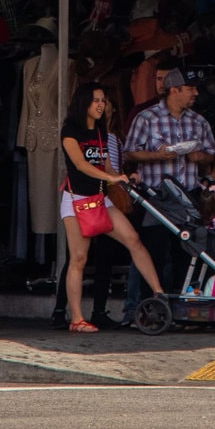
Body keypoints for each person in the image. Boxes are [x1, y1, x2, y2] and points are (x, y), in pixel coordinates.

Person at [58, 83, 166, 333]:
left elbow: (106, 167)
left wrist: (123, 177)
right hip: (75, 200)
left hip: (100, 198)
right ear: (84, 102)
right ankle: (76, 318)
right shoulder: (70, 130)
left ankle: (159, 293)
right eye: (96, 100)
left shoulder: (101, 132)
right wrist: (112, 179)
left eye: (103, 100)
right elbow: (80, 164)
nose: (101, 105)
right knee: (79, 258)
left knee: (134, 240)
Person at [122, 69, 215, 312]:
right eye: (190, 88)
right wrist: (158, 155)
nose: (196, 93)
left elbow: (211, 156)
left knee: (187, 255)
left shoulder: (199, 121)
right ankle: (150, 309)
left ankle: (184, 310)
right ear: (174, 89)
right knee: (153, 254)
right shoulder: (147, 118)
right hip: (157, 199)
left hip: (189, 198)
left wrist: (199, 157)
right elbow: (130, 152)